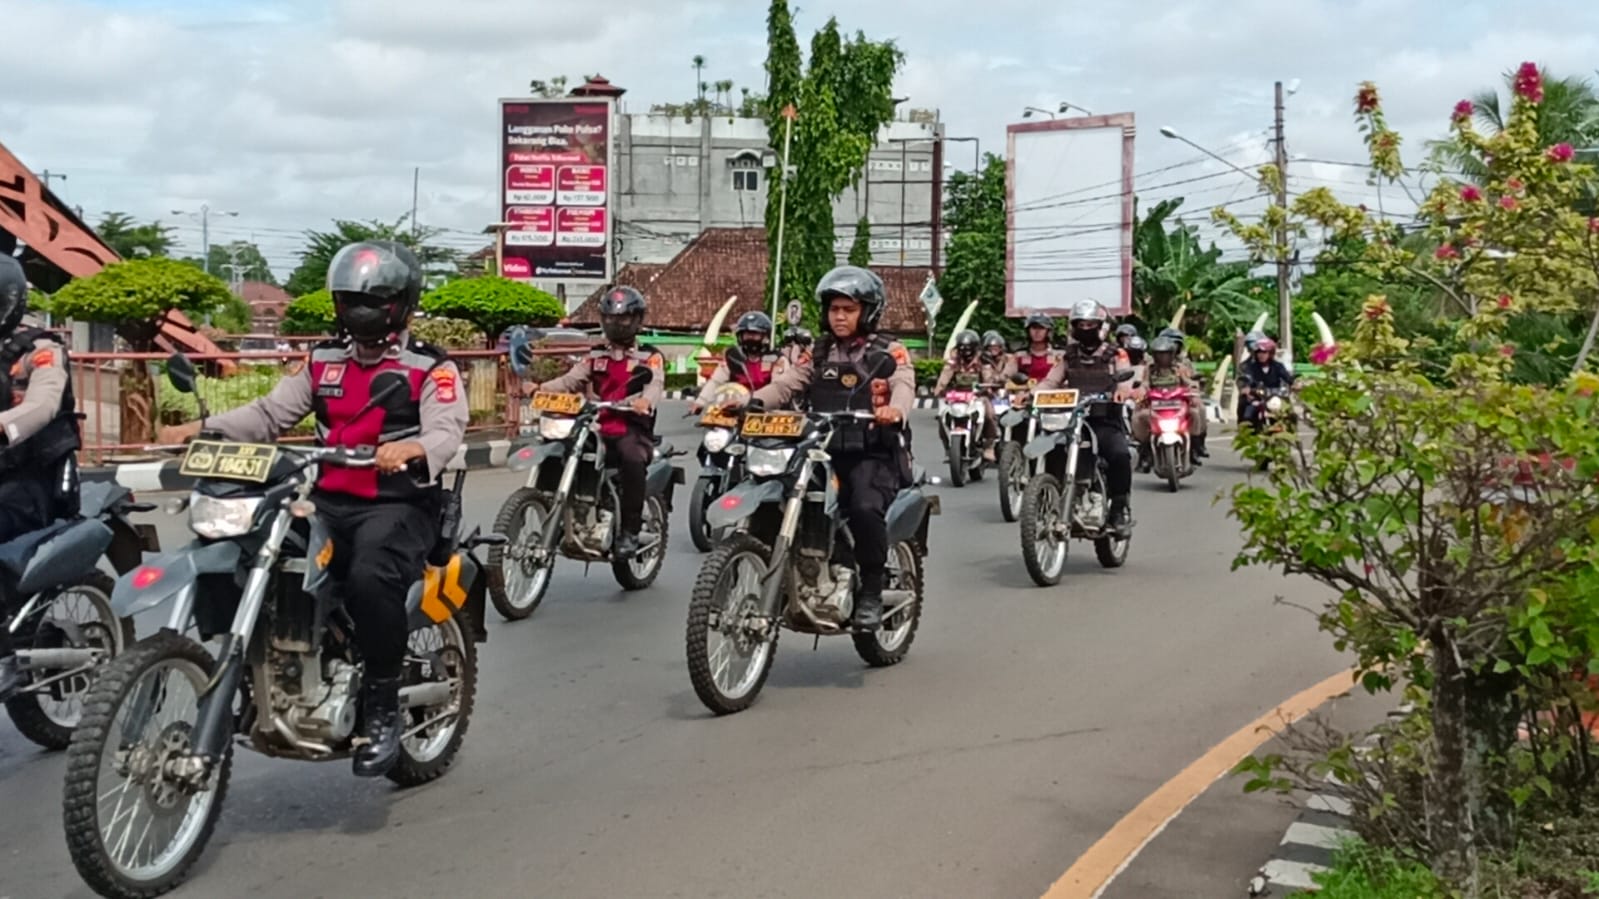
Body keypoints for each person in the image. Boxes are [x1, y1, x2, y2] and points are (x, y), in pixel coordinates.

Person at [157, 241, 468, 777]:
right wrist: (201, 429)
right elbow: (270, 413)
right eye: (349, 299)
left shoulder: (429, 368)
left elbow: (446, 429)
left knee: (372, 575)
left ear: (400, 304)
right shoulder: (322, 361)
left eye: (372, 299)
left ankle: (382, 709)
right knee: (255, 552)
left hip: (397, 505)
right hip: (326, 501)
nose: (359, 310)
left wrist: (414, 448)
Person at [732, 265, 914, 631]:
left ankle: (871, 593)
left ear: (868, 311)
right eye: (834, 309)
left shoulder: (889, 351)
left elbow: (903, 384)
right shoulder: (817, 351)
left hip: (872, 452)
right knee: (775, 492)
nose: (840, 317)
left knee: (863, 506)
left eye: (848, 309)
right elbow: (787, 384)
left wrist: (895, 409)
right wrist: (753, 401)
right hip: (820, 450)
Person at [0, 255, 84, 703]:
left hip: (35, 478)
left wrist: (3, 425)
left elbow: (44, 404)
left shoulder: (40, 350)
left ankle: (4, 656)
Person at [531, 286, 663, 559]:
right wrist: (539, 388)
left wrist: (645, 402)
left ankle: (630, 530)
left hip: (632, 426)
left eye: (624, 318)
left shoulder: (649, 356)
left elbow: (655, 384)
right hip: (598, 424)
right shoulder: (596, 355)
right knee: (563, 447)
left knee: (632, 458)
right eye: (612, 318)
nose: (617, 323)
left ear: (637, 320)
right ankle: (566, 513)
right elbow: (570, 380)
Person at [1035, 300, 1135, 535]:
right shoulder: (1068, 355)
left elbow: (1125, 378)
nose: (1086, 328)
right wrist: (1032, 395)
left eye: (1091, 323)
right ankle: (1050, 497)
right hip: (1072, 419)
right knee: (1051, 448)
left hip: (1105, 418)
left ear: (1101, 326)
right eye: (1081, 323)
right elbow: (1051, 381)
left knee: (1120, 455)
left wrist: (1122, 390)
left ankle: (1118, 510)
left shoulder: (1115, 353)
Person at [1131, 336, 1208, 469]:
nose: (1163, 358)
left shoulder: (1179, 368)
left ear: (1172, 354)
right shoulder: (1150, 369)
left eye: (1166, 354)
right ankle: (1146, 451)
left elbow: (1188, 382)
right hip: (1156, 406)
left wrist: (1194, 391)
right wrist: (1141, 392)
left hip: (1178, 405)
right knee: (1138, 417)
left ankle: (1194, 448)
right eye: (1160, 354)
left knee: (1195, 413)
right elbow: (1145, 384)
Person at [691, 311, 779, 412]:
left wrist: (759, 400)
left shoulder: (776, 359)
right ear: (740, 336)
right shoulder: (733, 357)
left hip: (767, 410)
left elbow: (779, 388)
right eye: (746, 334)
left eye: (755, 334)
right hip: (735, 408)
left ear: (765, 336)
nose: (750, 337)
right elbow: (716, 381)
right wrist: (700, 402)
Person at [934, 329, 1000, 461]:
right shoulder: (953, 362)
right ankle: (948, 448)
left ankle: (989, 446)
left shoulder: (983, 361)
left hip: (979, 395)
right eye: (962, 348)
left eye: (969, 348)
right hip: (956, 397)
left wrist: (989, 387)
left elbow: (988, 379)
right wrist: (939, 390)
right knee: (942, 417)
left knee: (989, 415)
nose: (966, 351)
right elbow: (944, 378)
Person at [1237, 336, 1296, 429]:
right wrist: (1245, 387)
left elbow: (1288, 378)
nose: (1261, 355)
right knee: (1247, 414)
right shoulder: (1250, 367)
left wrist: (1296, 384)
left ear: (1270, 353)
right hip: (1256, 398)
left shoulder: (1278, 366)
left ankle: (1294, 437)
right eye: (1259, 352)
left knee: (1291, 413)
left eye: (1264, 352)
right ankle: (1245, 436)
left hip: (1275, 397)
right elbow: (1245, 378)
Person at [1002, 313, 1063, 385]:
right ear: (1028, 331)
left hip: (1053, 394)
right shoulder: (1019, 355)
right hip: (1025, 393)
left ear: (1048, 331)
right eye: (1034, 328)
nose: (1037, 332)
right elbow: (1005, 377)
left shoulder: (1059, 354)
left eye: (1041, 328)